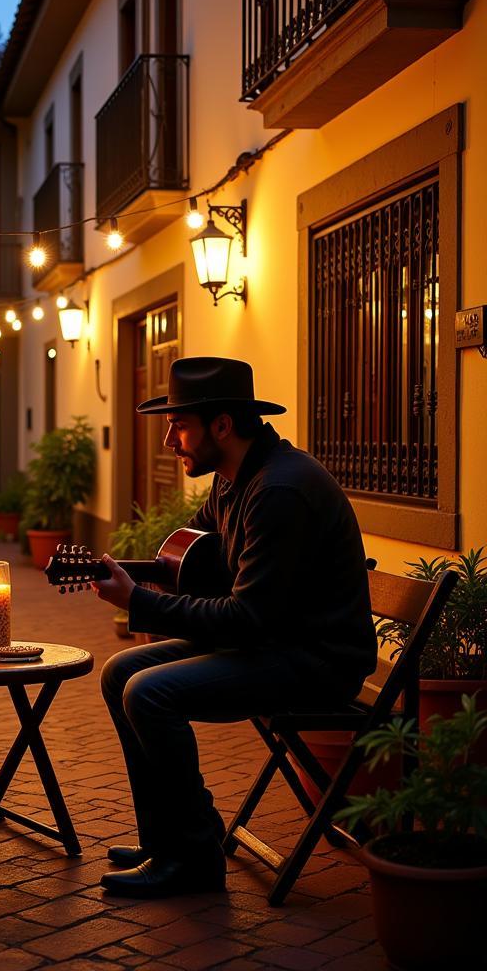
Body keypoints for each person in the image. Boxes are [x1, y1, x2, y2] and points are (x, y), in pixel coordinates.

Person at [93, 356, 376, 899]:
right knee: (119, 672)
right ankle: (166, 839)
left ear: (222, 425)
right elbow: (189, 559)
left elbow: (247, 619)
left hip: (315, 661)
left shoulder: (279, 491)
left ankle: (195, 857)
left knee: (149, 693)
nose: (169, 439)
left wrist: (142, 603)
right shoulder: (233, 481)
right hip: (276, 641)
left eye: (179, 425)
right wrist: (122, 575)